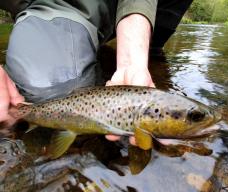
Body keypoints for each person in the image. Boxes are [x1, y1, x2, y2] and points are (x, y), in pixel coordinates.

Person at [0, 0, 193, 143]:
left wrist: (133, 59)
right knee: (49, 85)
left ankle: (150, 48)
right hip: (62, 5)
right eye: (195, 117)